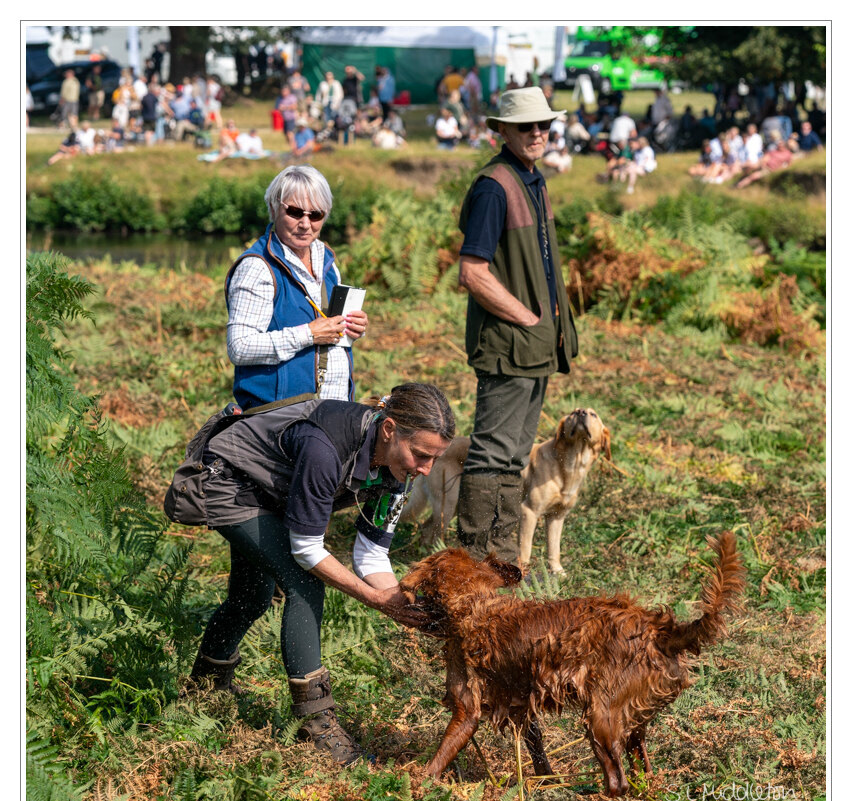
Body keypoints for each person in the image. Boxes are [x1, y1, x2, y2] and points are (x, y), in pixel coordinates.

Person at [187, 383, 455, 764]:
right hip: (230, 481)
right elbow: (307, 550)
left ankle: (204, 686)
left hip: (275, 493)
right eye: (421, 455)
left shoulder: (400, 471)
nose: (425, 469)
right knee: (305, 580)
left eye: (435, 459)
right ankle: (316, 725)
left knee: (252, 596)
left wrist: (400, 601)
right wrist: (374, 599)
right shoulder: (325, 447)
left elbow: (371, 552)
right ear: (389, 430)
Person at [455, 87, 578, 561]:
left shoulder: (532, 179)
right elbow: (473, 273)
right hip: (511, 344)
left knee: (513, 454)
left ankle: (502, 560)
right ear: (502, 130)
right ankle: (476, 563)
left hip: (534, 346)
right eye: (526, 125)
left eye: (544, 124)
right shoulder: (494, 186)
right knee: (492, 454)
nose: (537, 132)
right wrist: (527, 318)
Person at [224, 165, 368, 411]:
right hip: (282, 415)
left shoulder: (326, 261)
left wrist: (352, 327)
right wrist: (308, 334)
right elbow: (240, 347)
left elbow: (329, 332)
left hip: (334, 408)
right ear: (273, 209)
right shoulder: (257, 267)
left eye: (316, 215)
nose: (305, 224)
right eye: (295, 212)